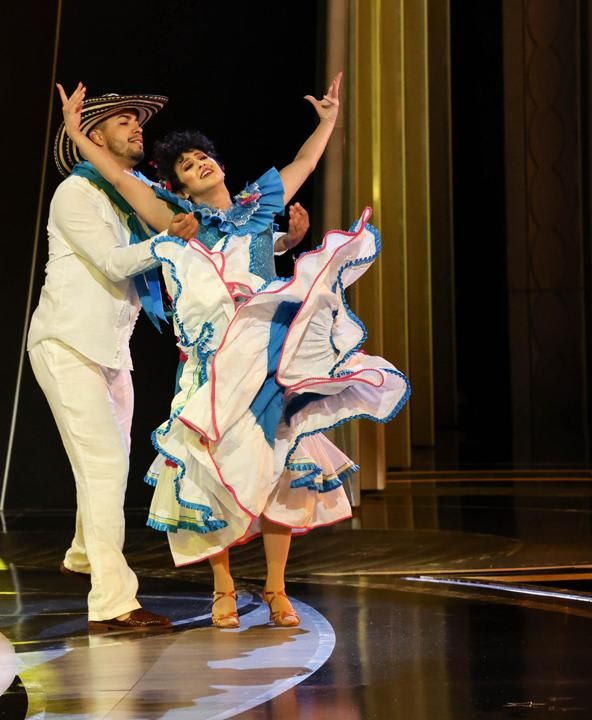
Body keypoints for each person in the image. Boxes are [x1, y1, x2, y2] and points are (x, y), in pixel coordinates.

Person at [58, 74, 409, 629]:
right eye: (185, 165)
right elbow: (123, 182)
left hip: (268, 360)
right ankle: (222, 588)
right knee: (209, 473)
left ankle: (274, 589)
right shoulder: (179, 222)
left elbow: (302, 167)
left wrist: (328, 122)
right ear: (179, 187)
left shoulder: (258, 208)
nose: (198, 163)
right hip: (211, 365)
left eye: (203, 156)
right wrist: (80, 138)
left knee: (282, 467)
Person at [27, 91, 207, 631]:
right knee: (104, 467)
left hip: (110, 348)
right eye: (123, 121)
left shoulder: (134, 195)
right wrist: (166, 243)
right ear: (94, 135)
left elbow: (210, 233)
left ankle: (83, 554)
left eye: (137, 121)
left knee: (111, 465)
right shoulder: (76, 192)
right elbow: (110, 262)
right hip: (67, 344)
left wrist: (277, 242)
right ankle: (112, 603)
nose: (136, 128)